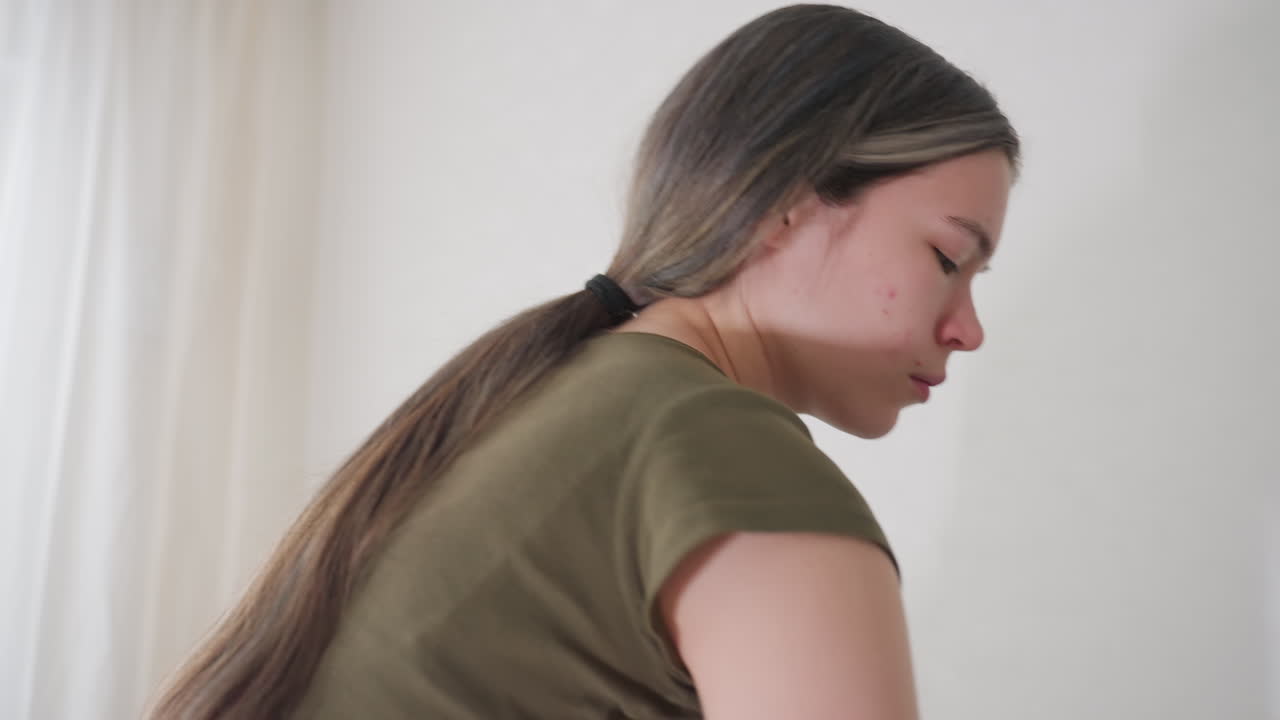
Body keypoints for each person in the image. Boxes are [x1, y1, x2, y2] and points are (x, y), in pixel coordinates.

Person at [151, 4, 1019, 718]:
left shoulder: (569, 391)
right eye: (948, 258)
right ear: (785, 205)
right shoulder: (717, 444)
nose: (969, 328)